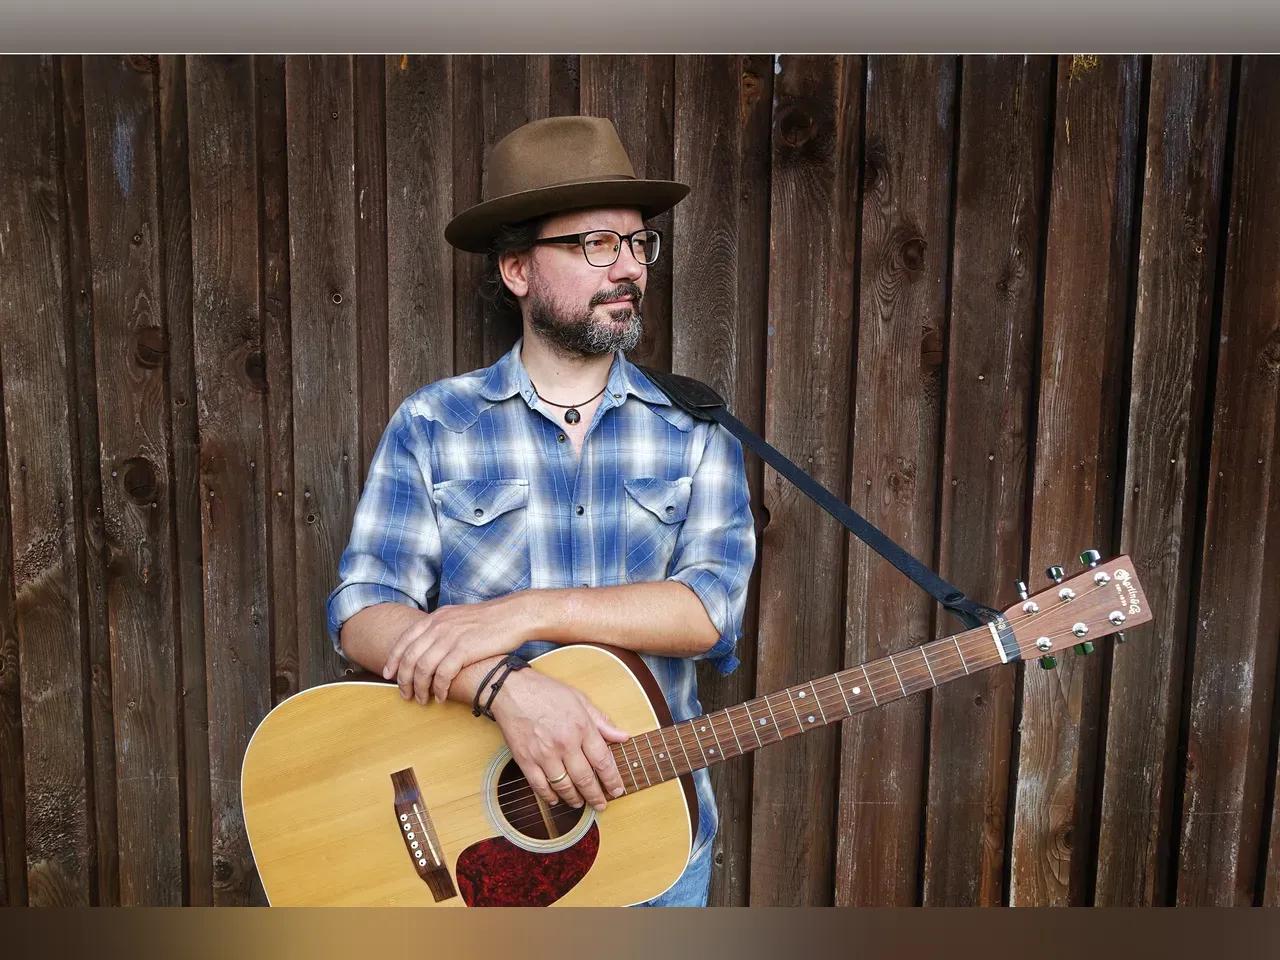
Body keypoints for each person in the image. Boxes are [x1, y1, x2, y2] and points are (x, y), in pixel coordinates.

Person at [325, 115, 756, 906]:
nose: (628, 268)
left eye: (638, 245)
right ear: (519, 270)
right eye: (596, 245)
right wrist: (504, 689)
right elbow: (363, 611)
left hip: (652, 841)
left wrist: (525, 614)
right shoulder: (436, 424)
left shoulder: (696, 431)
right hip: (472, 838)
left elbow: (709, 609)